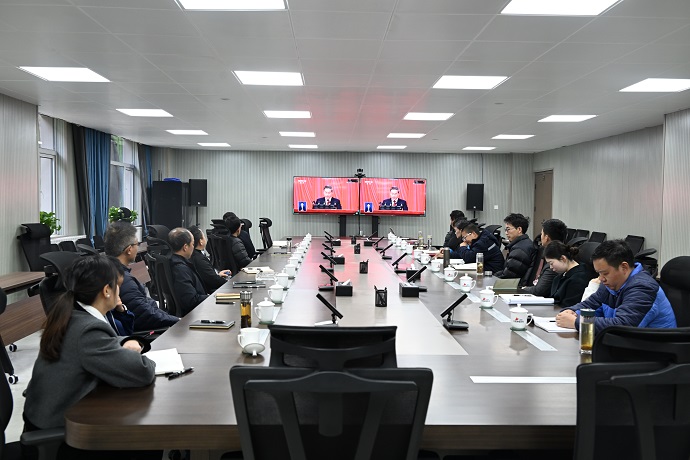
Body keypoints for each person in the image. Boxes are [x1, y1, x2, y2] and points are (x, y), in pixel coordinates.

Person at [22, 255, 157, 460]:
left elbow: (97, 344)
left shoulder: (73, 315)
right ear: (106, 290)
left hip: (46, 419)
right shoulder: (87, 330)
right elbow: (143, 371)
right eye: (117, 286)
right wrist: (131, 353)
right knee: (147, 438)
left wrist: (124, 342)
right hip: (62, 440)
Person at [556, 240, 676, 333]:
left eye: (605, 273)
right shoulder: (611, 284)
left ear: (624, 267)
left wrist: (577, 322)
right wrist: (571, 312)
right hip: (626, 346)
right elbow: (591, 304)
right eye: (599, 273)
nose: (601, 279)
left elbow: (623, 326)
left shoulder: (643, 288)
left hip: (653, 351)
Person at [104, 221, 179, 331]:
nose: (138, 247)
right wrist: (178, 321)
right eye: (137, 244)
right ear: (129, 249)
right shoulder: (123, 279)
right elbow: (145, 315)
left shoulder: (110, 270)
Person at [522, 218, 567, 296]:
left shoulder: (555, 262)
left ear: (546, 238)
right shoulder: (548, 253)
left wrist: (523, 289)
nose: (540, 237)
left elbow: (539, 291)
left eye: (541, 234)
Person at [169, 227, 208, 316]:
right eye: (193, 244)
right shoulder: (180, 269)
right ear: (185, 247)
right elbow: (191, 301)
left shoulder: (173, 262)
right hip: (194, 314)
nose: (193, 247)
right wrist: (212, 297)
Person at [543, 241, 590, 308]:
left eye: (551, 263)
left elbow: (569, 306)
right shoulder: (562, 276)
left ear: (563, 258)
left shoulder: (578, 279)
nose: (550, 267)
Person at [495, 213, 536, 285]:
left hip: (515, 287)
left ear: (519, 229)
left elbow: (509, 276)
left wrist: (493, 280)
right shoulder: (523, 244)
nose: (506, 233)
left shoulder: (520, 249)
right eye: (505, 230)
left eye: (508, 229)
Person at [188, 225, 231, 293]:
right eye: (204, 236)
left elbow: (208, 276)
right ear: (201, 241)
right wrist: (229, 282)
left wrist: (218, 275)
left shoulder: (193, 255)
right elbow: (214, 281)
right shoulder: (200, 259)